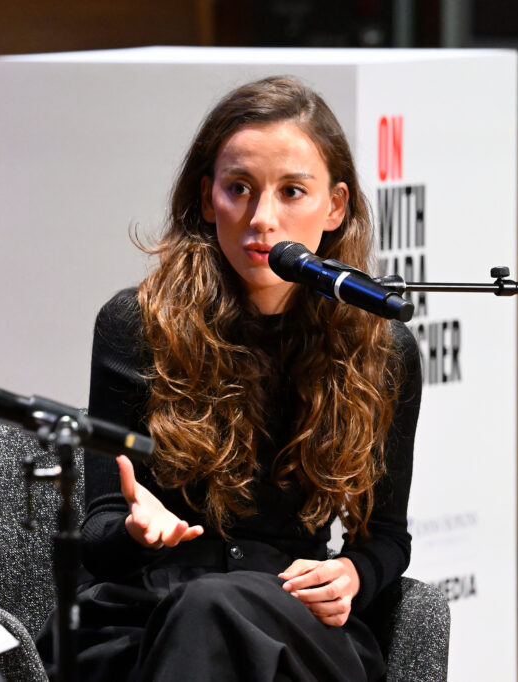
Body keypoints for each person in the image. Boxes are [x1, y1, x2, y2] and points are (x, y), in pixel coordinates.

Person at [41, 77, 423, 681]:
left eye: (293, 191)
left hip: (291, 623)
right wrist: (138, 533)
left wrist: (352, 574)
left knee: (212, 608)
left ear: (336, 206)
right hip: (142, 617)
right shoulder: (138, 326)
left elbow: (387, 536)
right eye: (238, 188)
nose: (262, 219)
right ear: (206, 196)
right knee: (200, 611)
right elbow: (98, 532)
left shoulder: (382, 350)